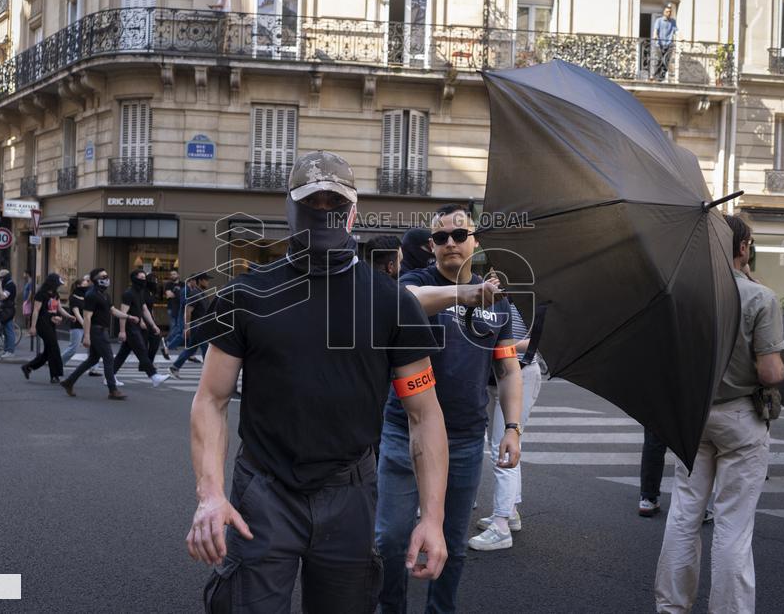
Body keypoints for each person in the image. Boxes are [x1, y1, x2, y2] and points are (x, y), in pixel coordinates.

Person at [186, 151, 449, 612]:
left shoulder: (391, 303)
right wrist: (210, 493)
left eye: (334, 204)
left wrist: (434, 517)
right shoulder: (245, 296)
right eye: (313, 204)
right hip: (264, 492)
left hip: (349, 496)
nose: (324, 214)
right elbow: (211, 398)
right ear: (291, 208)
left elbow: (424, 414)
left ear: (352, 212)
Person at [377, 203, 522, 613]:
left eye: (460, 235)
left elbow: (508, 369)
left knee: (453, 544)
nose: (450, 243)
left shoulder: (499, 302)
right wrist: (463, 293)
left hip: (463, 437)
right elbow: (407, 299)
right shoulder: (415, 281)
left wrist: (512, 426)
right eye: (441, 237)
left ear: (476, 242)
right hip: (403, 430)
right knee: (389, 537)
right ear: (431, 245)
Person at [655, 214, 784, 614]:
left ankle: (671, 606)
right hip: (741, 417)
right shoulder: (760, 298)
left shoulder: (686, 292)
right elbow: (769, 372)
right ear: (743, 248)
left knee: (683, 514)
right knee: (733, 524)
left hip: (694, 417)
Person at [469, 303, 547, 551]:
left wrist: (497, 343)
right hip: (494, 375)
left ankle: (501, 526)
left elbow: (537, 341)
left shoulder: (536, 296)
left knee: (505, 444)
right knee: (501, 445)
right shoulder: (498, 292)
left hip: (520, 373)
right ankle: (509, 512)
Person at [60, 268, 134, 400]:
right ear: (96, 280)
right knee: (108, 358)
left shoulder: (105, 295)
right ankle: (113, 389)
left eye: (107, 276)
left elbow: (113, 310)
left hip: (101, 330)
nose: (107, 278)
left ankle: (69, 382)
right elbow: (87, 317)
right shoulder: (91, 295)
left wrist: (128, 317)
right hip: (97, 331)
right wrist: (87, 336)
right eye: (103, 277)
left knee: (93, 359)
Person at [111, 270, 170, 387]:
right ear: (134, 279)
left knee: (123, 354)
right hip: (130, 328)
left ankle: (110, 376)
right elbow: (123, 313)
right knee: (141, 350)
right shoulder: (128, 294)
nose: (144, 280)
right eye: (141, 278)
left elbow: (145, 310)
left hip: (136, 327)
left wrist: (153, 325)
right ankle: (154, 376)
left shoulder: (140, 293)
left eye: (145, 278)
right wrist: (122, 331)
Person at [22, 273, 73, 384]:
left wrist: (69, 316)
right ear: (52, 283)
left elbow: (59, 308)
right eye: (57, 284)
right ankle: (56, 375)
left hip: (52, 323)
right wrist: (33, 327)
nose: (58, 286)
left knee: (48, 350)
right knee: (54, 347)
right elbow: (35, 310)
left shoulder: (55, 294)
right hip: (42, 323)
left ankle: (28, 367)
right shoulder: (41, 294)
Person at [168, 272, 213, 378]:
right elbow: (188, 311)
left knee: (191, 349)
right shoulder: (195, 293)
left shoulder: (202, 293)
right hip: (197, 326)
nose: (208, 282)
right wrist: (187, 327)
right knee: (206, 348)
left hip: (200, 325)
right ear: (200, 280)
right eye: (206, 280)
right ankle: (209, 374)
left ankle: (174, 367)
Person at [60, 275, 90, 363]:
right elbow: (77, 314)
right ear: (78, 286)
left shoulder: (87, 297)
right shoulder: (73, 298)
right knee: (73, 349)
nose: (87, 286)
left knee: (92, 347)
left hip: (87, 325)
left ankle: (94, 368)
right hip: (77, 326)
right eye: (85, 284)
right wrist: (85, 325)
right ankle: (58, 364)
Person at [0, 269, 17, 358]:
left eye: (0, 278)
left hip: (8, 310)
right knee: (5, 331)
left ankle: (10, 351)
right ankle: (5, 350)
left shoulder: (10, 285)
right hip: (5, 310)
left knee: (9, 330)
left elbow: (3, 296)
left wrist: (0, 286)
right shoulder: (8, 285)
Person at [653, 4, 677, 82]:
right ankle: (655, 77)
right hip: (659, 44)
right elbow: (655, 30)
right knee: (658, 60)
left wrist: (681, 38)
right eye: (667, 12)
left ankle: (661, 78)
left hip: (668, 45)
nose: (668, 13)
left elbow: (676, 31)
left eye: (670, 12)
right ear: (664, 12)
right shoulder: (659, 20)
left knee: (666, 62)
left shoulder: (673, 22)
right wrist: (655, 36)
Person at [164, 269, 183, 358]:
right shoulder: (168, 284)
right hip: (171, 308)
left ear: (178, 275)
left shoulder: (182, 284)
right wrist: (177, 294)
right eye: (171, 274)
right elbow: (169, 295)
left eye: (174, 274)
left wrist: (175, 293)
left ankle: (170, 342)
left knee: (178, 326)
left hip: (180, 308)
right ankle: (169, 342)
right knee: (173, 325)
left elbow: (183, 295)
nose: (173, 275)